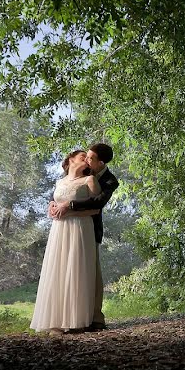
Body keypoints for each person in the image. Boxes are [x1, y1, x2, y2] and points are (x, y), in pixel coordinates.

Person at [50, 143, 119, 331]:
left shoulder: (110, 181)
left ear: (100, 162)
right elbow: (63, 190)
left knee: (91, 273)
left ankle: (95, 318)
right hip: (64, 227)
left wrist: (69, 206)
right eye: (86, 156)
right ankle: (64, 315)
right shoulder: (73, 175)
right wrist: (52, 203)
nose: (87, 160)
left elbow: (97, 202)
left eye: (90, 158)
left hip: (88, 228)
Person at [30, 150, 101, 334]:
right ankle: (55, 321)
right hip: (59, 230)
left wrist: (69, 212)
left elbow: (95, 210)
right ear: (70, 159)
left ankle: (76, 320)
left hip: (80, 229)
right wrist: (52, 207)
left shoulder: (90, 181)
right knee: (58, 269)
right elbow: (54, 203)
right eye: (82, 156)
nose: (86, 159)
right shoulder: (59, 182)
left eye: (87, 157)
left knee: (77, 271)